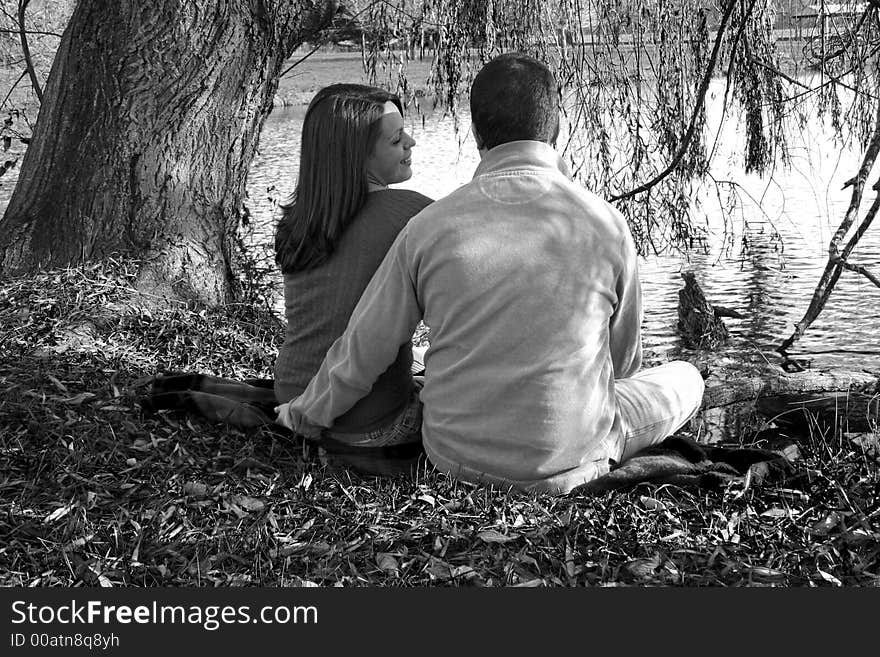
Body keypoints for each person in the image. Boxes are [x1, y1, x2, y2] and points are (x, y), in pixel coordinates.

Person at [276, 53, 705, 495]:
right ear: (555, 129)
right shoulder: (606, 224)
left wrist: (304, 414)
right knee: (686, 377)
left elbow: (364, 347)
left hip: (453, 457)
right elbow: (624, 365)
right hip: (574, 459)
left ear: (477, 132)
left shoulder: (428, 226)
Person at [147, 84, 432, 463]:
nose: (411, 142)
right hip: (366, 422)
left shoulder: (298, 220)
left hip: (293, 390)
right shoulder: (412, 214)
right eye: (397, 139)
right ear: (356, 155)